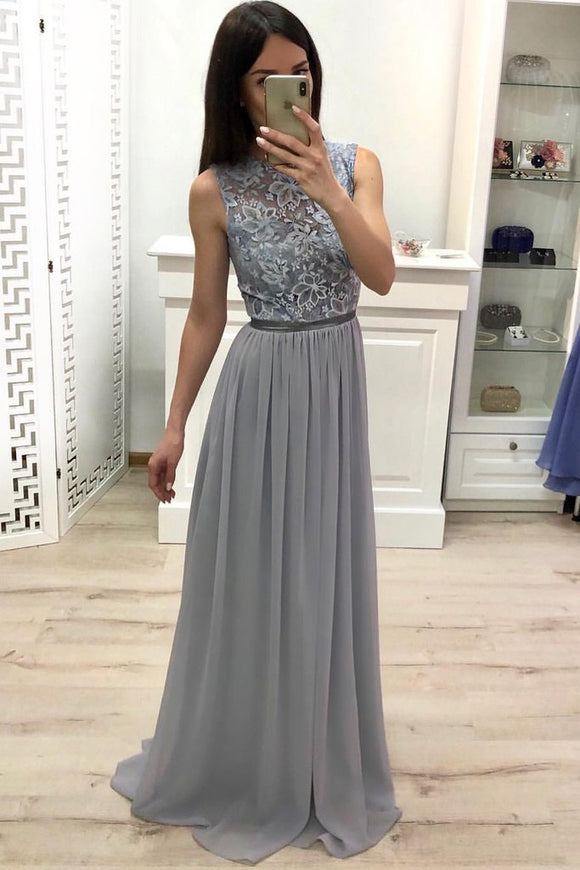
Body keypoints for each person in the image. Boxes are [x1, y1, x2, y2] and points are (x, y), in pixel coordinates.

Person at [111, 1, 402, 863]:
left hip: (332, 389)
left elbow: (382, 274)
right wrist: (172, 427)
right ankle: (248, 752)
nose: (291, 88)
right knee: (251, 576)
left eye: (301, 72)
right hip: (261, 387)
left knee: (321, 574)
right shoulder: (214, 189)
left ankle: (314, 749)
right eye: (269, 77)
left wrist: (326, 190)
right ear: (236, 92)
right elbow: (206, 315)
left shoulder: (357, 165)